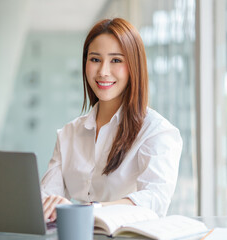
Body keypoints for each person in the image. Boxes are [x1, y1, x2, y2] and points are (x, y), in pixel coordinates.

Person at [41, 18, 183, 222]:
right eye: (95, 59)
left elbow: (155, 199)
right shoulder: (69, 134)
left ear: (134, 66)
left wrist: (87, 210)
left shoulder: (156, 131)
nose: (103, 72)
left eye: (116, 60)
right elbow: (47, 197)